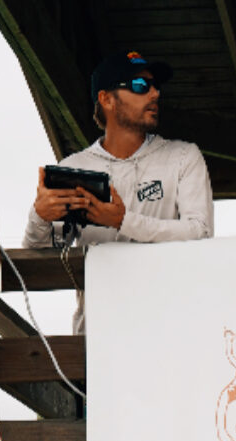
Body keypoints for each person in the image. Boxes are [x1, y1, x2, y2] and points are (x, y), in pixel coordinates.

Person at [23, 50, 213, 332]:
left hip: (172, 333)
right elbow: (35, 264)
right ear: (107, 99)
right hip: (98, 340)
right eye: (140, 86)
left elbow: (201, 233)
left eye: (155, 86)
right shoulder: (74, 167)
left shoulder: (184, 156)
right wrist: (39, 217)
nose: (154, 94)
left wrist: (123, 221)